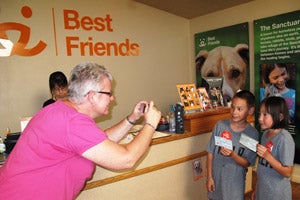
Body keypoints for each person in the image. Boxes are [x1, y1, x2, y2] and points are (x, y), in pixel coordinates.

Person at [0, 62, 161, 200]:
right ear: (92, 96)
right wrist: (150, 125)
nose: (112, 99)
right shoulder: (72, 122)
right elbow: (126, 159)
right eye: (109, 93)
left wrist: (132, 118)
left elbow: (100, 142)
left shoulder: (63, 113)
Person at [206, 90, 259, 200]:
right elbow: (210, 153)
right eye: (232, 107)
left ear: (250, 110)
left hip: (235, 185)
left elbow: (247, 163)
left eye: (240, 109)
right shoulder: (220, 126)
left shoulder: (252, 134)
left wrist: (233, 155)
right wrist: (209, 177)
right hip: (216, 180)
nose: (234, 112)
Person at [253, 96, 295, 200]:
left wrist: (268, 156)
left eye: (265, 115)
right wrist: (256, 189)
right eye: (260, 114)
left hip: (277, 194)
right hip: (263, 191)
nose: (260, 119)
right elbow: (261, 167)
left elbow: (287, 172)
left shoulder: (284, 139)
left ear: (280, 117)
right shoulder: (265, 134)